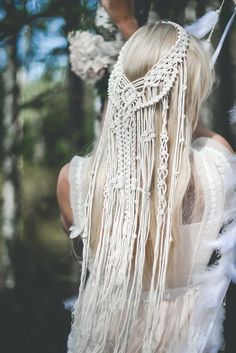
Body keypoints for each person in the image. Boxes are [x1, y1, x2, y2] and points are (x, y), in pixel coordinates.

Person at [57, 21, 236, 353]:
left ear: (117, 90)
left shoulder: (76, 180)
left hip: (105, 340)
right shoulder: (217, 168)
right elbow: (201, 135)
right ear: (188, 99)